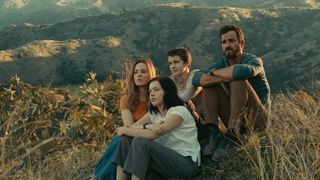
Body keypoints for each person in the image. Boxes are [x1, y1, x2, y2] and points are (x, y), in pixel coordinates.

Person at [192, 24, 271, 161]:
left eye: (231, 41)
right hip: (235, 115)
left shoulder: (254, 61)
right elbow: (197, 77)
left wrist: (213, 73)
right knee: (209, 84)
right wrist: (216, 76)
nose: (227, 45)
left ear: (241, 43)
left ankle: (234, 136)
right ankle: (213, 132)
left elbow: (241, 71)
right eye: (224, 42)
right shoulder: (222, 62)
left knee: (238, 80)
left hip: (258, 121)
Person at [113, 76, 200, 180]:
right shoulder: (153, 114)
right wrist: (148, 125)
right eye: (150, 91)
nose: (152, 94)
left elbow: (153, 135)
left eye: (156, 90)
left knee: (140, 142)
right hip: (165, 161)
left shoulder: (178, 111)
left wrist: (124, 129)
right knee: (125, 139)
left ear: (167, 91)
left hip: (186, 163)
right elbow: (132, 127)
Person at [94, 58, 156, 180]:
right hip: (131, 138)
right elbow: (129, 127)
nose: (138, 75)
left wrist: (127, 129)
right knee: (122, 139)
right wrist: (129, 128)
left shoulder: (156, 96)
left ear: (151, 74)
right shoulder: (127, 98)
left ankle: (100, 176)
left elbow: (128, 129)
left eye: (143, 71)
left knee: (121, 139)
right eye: (136, 72)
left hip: (150, 139)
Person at [167, 47, 206, 140]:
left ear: (186, 63)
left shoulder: (195, 77)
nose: (172, 66)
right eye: (170, 63)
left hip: (202, 123)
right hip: (181, 123)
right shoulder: (171, 81)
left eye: (176, 62)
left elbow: (184, 98)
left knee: (181, 104)